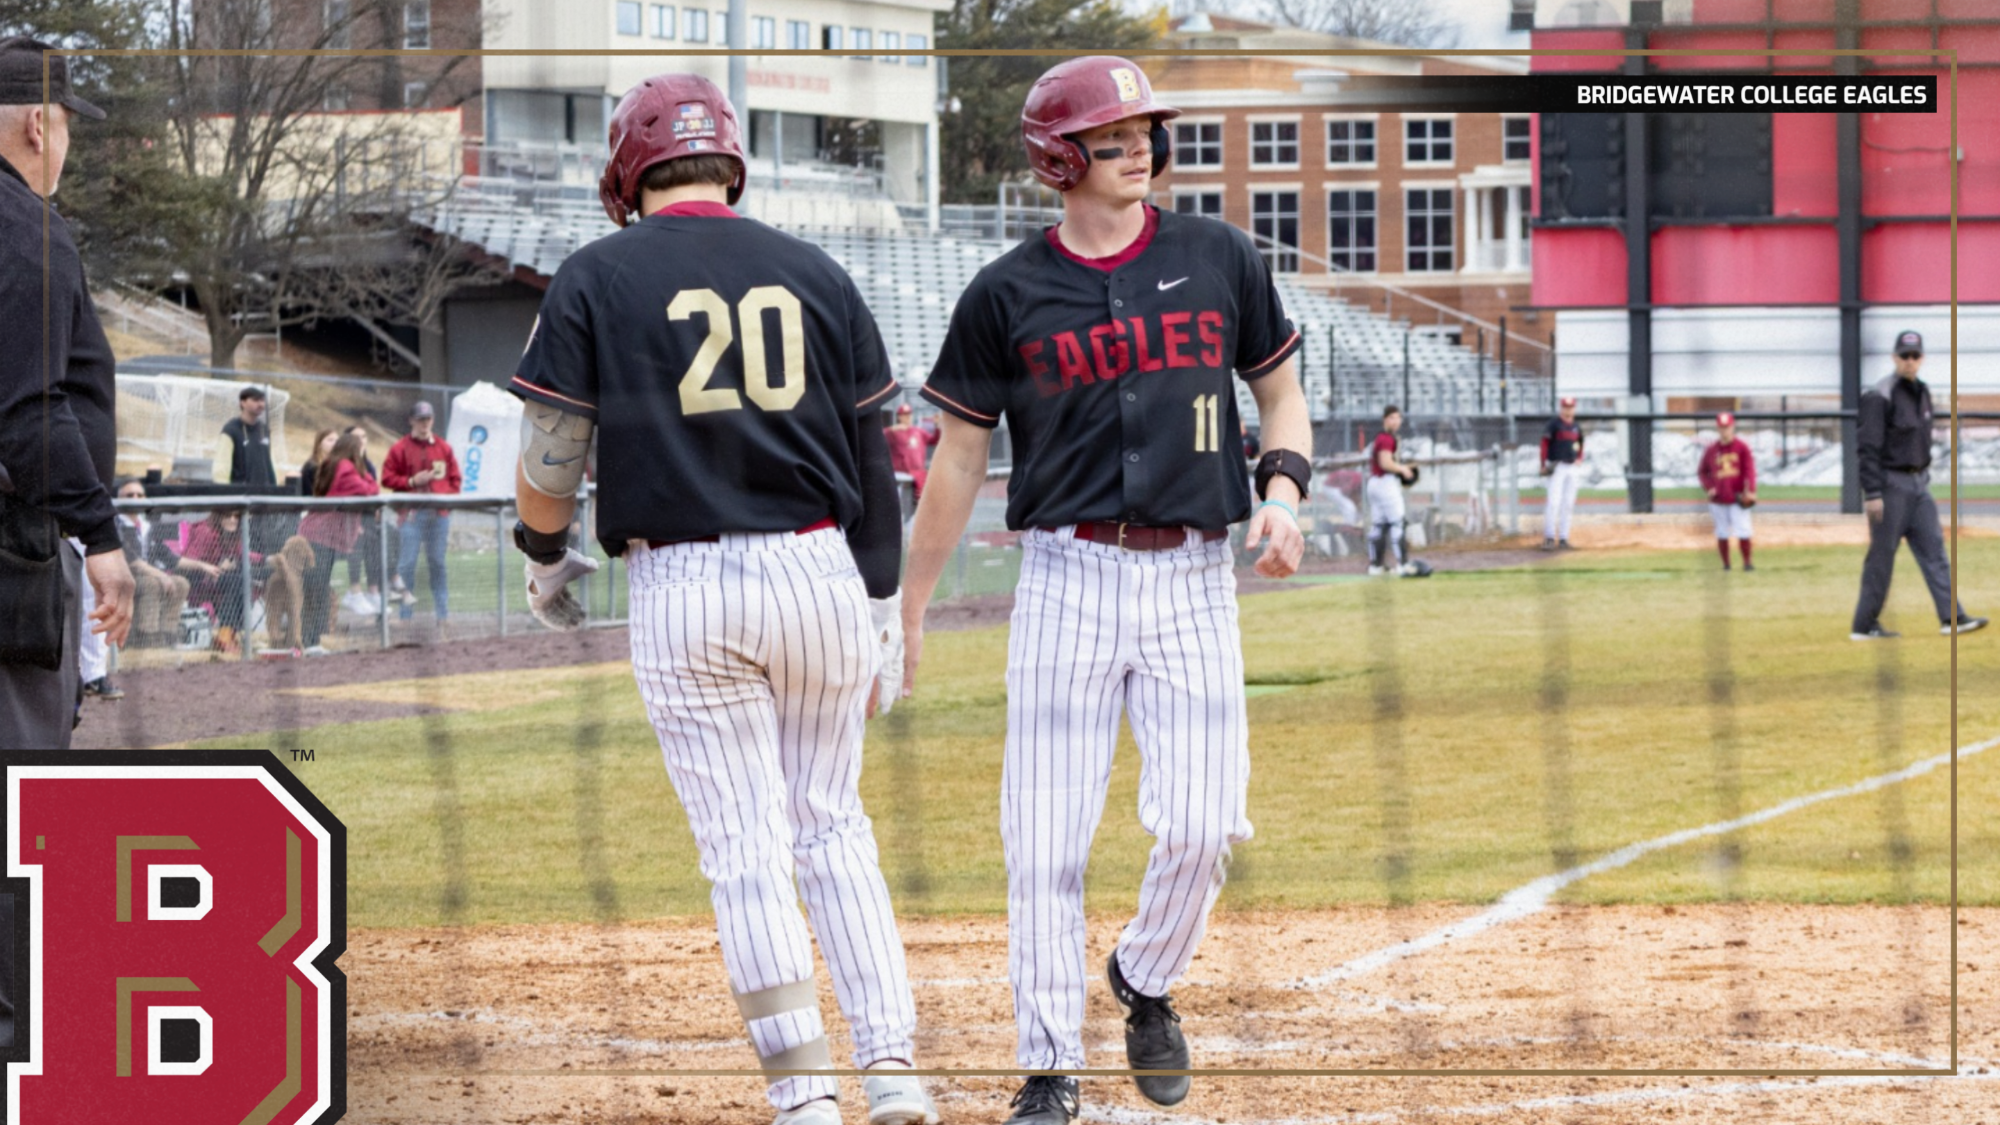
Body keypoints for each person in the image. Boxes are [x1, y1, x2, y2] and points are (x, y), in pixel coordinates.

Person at [506, 73, 936, 1125]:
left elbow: (553, 451)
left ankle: (802, 1098)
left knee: (745, 848)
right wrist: (880, 603)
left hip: (686, 582)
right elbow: (876, 465)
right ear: (727, 157)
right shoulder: (815, 269)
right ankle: (891, 1072)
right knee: (831, 825)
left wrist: (542, 551)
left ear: (627, 166)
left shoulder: (597, 274)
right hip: (819, 568)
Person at [900, 56, 1310, 1125]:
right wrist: (907, 606)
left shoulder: (1217, 256)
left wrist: (1282, 492)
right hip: (1065, 580)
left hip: (1190, 575)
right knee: (1041, 839)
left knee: (1207, 823)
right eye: (1113, 133)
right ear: (1057, 155)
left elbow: (1280, 393)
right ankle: (1047, 1068)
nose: (1138, 147)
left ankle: (1142, 975)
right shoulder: (1004, 292)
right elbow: (953, 461)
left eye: (1143, 130)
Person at [0, 36, 133, 749]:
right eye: (68, 119)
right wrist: (102, 534)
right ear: (37, 125)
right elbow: (28, 408)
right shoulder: (24, 227)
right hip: (14, 550)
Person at [1850, 330, 1987, 640]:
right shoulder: (1879, 395)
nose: (1910, 362)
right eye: (1904, 356)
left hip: (1919, 485)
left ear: (1921, 358)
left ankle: (1953, 617)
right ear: (1894, 357)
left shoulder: (1923, 392)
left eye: (1915, 356)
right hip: (1889, 485)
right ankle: (1863, 625)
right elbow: (1867, 447)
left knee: (1935, 551)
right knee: (1882, 555)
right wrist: (1872, 492)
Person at [298, 431, 378, 653]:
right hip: (320, 535)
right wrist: (363, 468)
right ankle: (308, 642)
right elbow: (369, 490)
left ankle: (311, 641)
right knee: (315, 589)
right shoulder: (344, 466)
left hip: (325, 536)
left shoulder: (338, 464)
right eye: (359, 448)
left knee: (319, 588)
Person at [381, 401, 461, 622]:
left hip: (438, 516)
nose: (424, 423)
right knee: (407, 563)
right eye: (420, 419)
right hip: (411, 516)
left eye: (427, 419)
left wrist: (445, 499)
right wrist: (410, 481)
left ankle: (442, 614)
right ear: (411, 421)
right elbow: (387, 478)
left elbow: (455, 480)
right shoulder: (399, 448)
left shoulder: (444, 448)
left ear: (432, 420)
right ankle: (404, 615)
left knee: (437, 562)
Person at [114, 477, 191, 646]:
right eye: (130, 495)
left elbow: (166, 556)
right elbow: (132, 561)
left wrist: (204, 566)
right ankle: (146, 639)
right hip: (124, 576)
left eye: (139, 495)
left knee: (181, 583)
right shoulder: (116, 524)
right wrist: (162, 576)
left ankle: (167, 636)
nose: (135, 499)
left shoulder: (146, 525)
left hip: (148, 573)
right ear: (119, 499)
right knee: (151, 583)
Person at [177, 510, 259, 655]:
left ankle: (229, 633)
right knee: (235, 580)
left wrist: (267, 559)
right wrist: (217, 567)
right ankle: (224, 635)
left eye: (237, 516)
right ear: (218, 516)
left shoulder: (233, 534)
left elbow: (243, 553)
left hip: (219, 580)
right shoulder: (205, 531)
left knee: (245, 581)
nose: (233, 520)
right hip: (196, 580)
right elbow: (186, 564)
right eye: (228, 515)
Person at [1698, 412, 1757, 571]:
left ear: (1733, 427)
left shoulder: (1742, 447)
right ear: (1718, 428)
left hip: (1737, 497)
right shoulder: (1711, 450)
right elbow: (1702, 472)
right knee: (1722, 531)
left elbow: (1749, 470)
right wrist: (1709, 487)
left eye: (1728, 427)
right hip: (1718, 499)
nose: (1725, 431)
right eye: (1722, 427)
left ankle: (1747, 563)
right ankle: (1726, 565)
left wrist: (1750, 490)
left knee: (1743, 529)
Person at [1366, 405, 1418, 576]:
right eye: (1392, 417)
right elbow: (1385, 462)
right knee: (1398, 522)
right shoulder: (1386, 439)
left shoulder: (1382, 437)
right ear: (1385, 419)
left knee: (1379, 525)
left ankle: (1376, 566)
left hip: (1374, 483)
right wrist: (1402, 469)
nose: (1395, 421)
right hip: (1385, 483)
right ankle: (1403, 565)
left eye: (1398, 417)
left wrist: (1401, 467)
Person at [341, 423, 384, 615]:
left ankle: (374, 592)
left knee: (384, 536)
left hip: (366, 518)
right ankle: (354, 591)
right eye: (356, 437)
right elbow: (363, 489)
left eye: (364, 437)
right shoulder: (342, 464)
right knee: (358, 540)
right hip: (344, 520)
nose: (361, 441)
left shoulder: (369, 466)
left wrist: (376, 509)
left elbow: (374, 491)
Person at [1540, 395, 1583, 550]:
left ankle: (1564, 538)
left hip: (1571, 467)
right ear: (1561, 408)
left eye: (1571, 407)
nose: (1568, 410)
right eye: (1566, 407)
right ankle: (1549, 537)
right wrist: (1543, 463)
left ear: (1574, 409)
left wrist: (1579, 457)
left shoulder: (1576, 426)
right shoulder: (1554, 424)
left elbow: (1579, 443)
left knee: (1568, 503)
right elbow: (1544, 443)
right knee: (1553, 502)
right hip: (1556, 466)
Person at [219, 385, 277, 486]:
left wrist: (273, 485)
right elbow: (221, 466)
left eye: (262, 400)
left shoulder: (264, 429)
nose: (260, 404)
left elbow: (269, 463)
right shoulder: (231, 430)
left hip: (263, 492)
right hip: (240, 495)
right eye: (255, 400)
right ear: (243, 403)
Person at [883, 402, 940, 502]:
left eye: (909, 414)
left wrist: (937, 426)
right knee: (901, 501)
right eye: (904, 415)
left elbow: (934, 440)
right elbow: (878, 436)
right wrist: (891, 429)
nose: (907, 417)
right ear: (899, 417)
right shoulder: (893, 431)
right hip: (900, 474)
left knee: (920, 500)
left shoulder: (918, 431)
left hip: (918, 472)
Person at [299, 427, 338, 496]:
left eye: (337, 440)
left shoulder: (336, 464)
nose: (335, 443)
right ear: (319, 444)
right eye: (330, 440)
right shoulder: (312, 466)